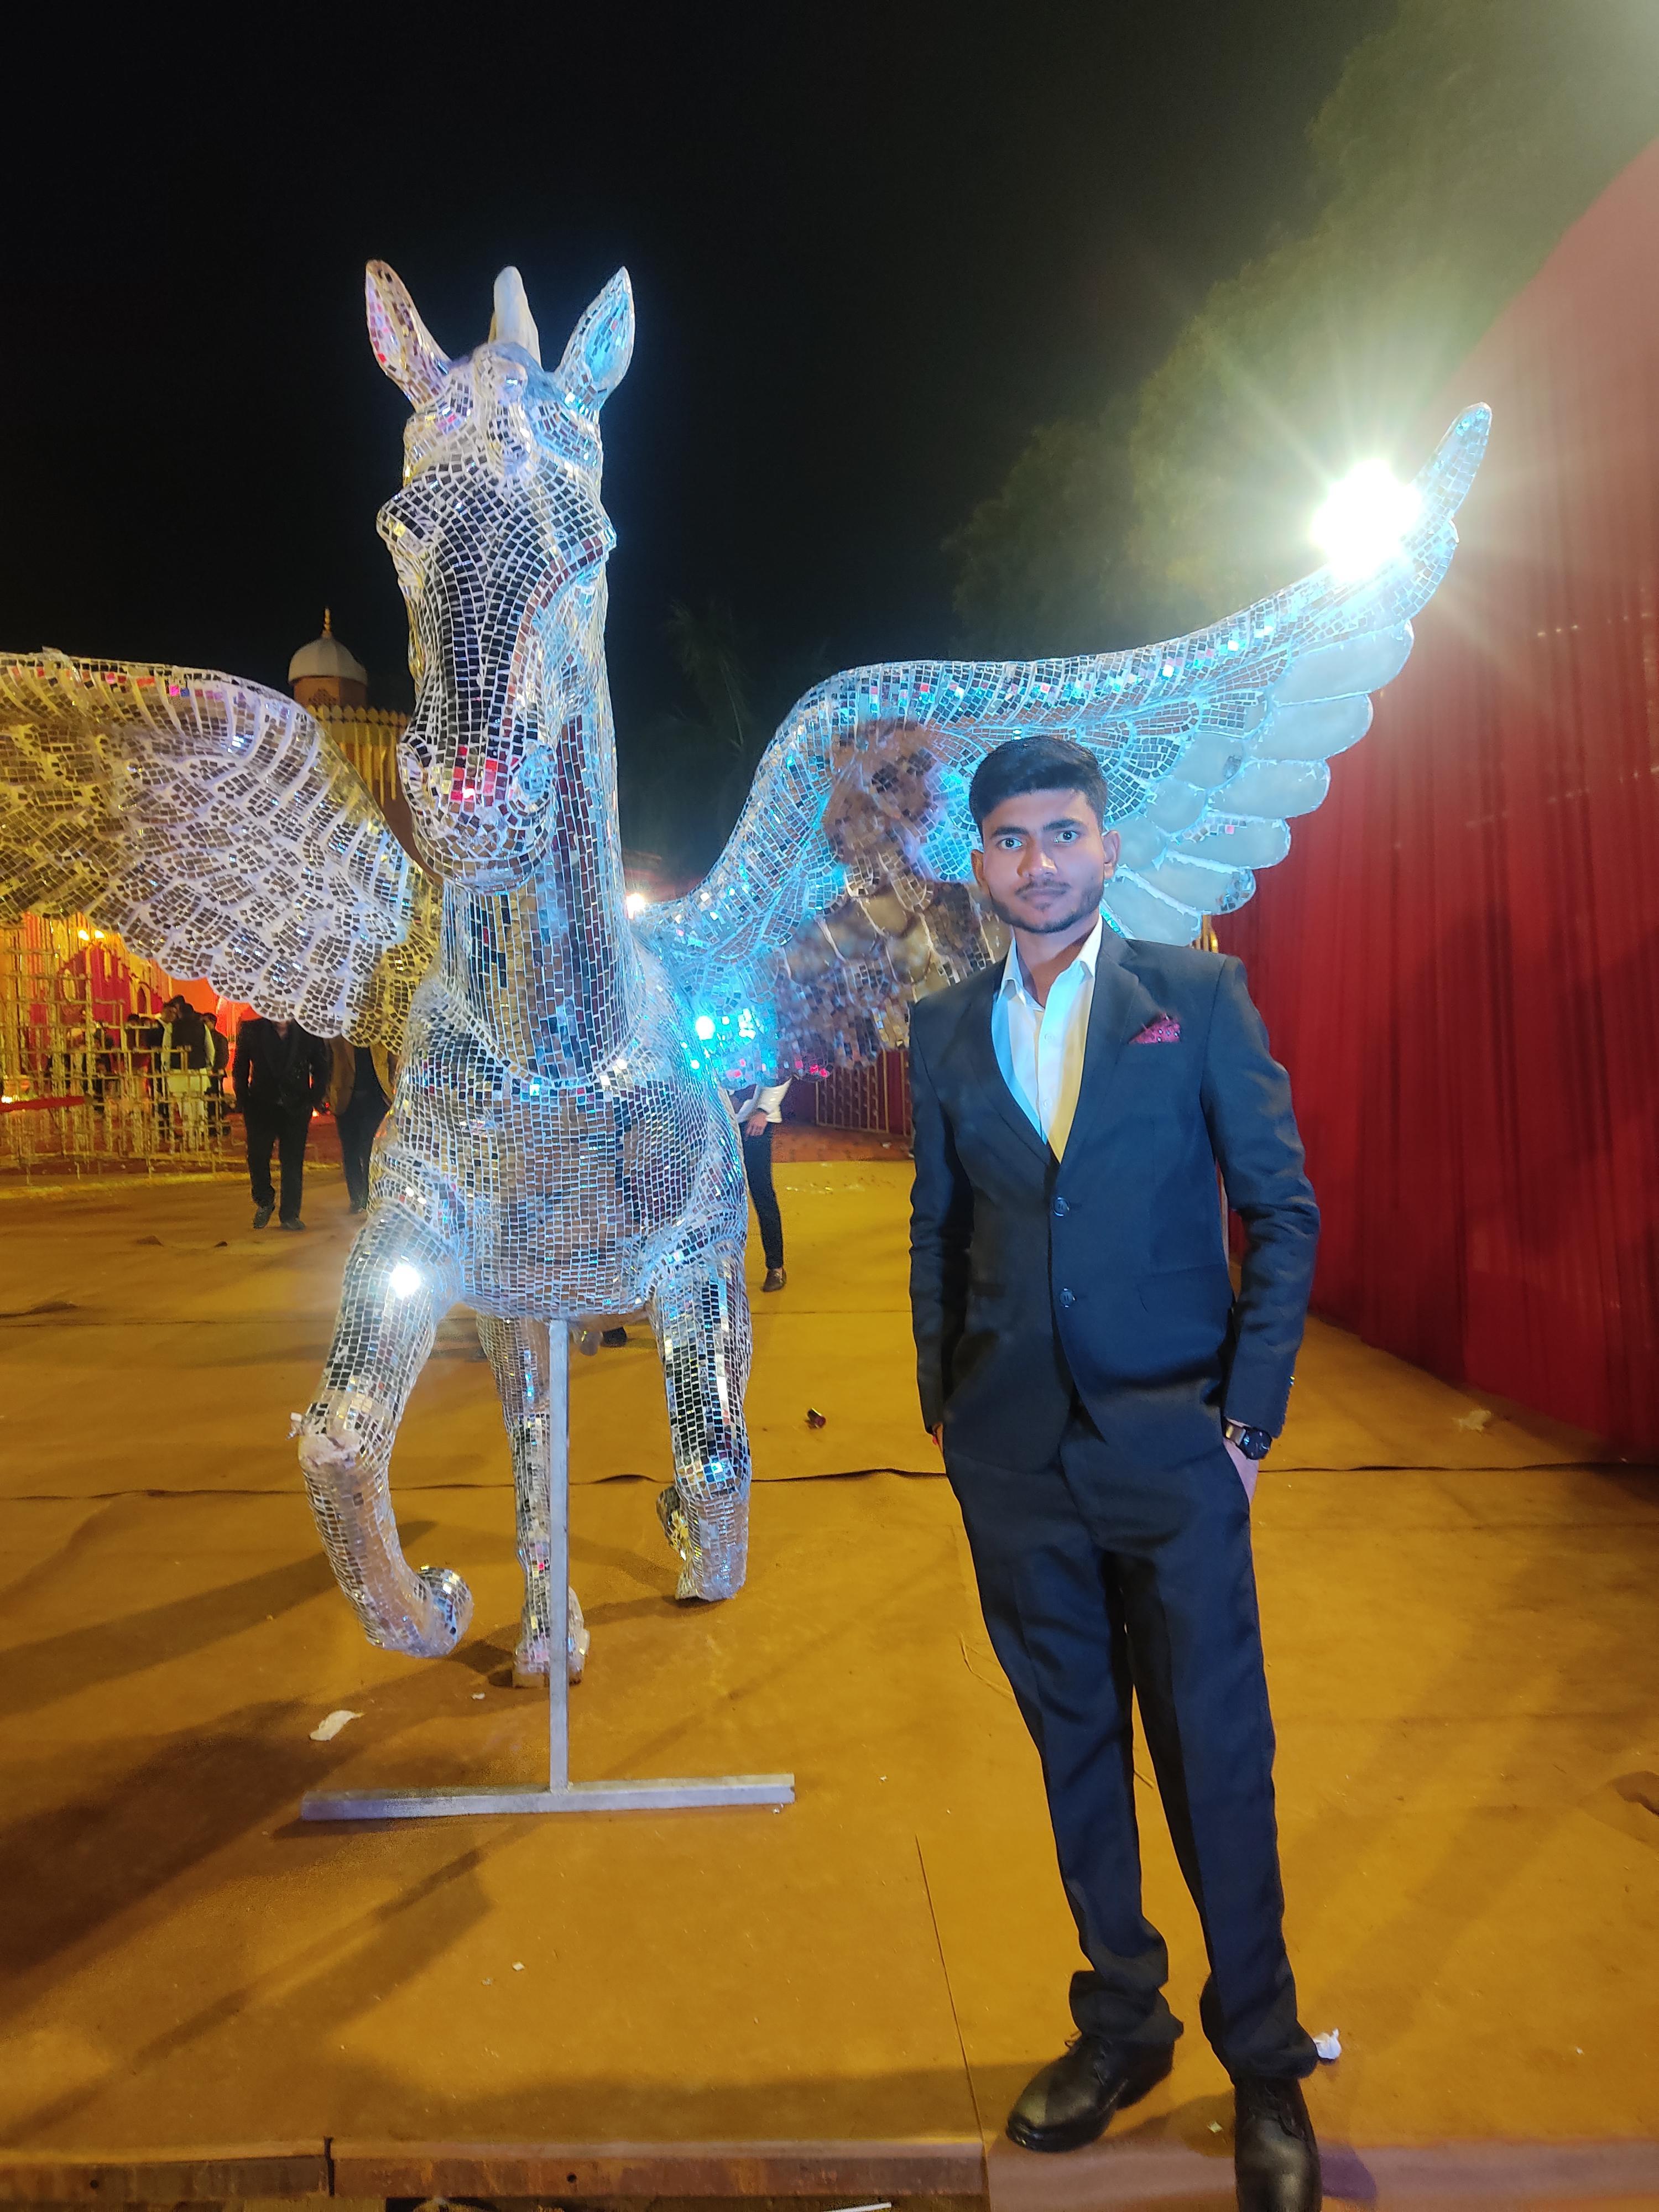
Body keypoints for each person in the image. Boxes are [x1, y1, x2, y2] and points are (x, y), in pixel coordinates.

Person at [907, 736, 1322, 2212]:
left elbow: (1282, 1213)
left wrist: (1246, 1427)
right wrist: (943, 1408)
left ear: (1107, 844)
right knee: (1075, 1749)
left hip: (1175, 1451)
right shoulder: (943, 1028)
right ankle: (1123, 2021)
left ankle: (1263, 2059)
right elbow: (937, 1227)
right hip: (1014, 1463)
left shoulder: (1194, 1000)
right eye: (1011, 838)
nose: (1040, 861)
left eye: (1063, 831)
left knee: (1217, 1759)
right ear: (981, 861)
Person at [233, 1015, 330, 1230]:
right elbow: (240, 1067)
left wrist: (314, 1099)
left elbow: (321, 1067)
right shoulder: (252, 1030)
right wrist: (243, 1100)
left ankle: (290, 1215)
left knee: (293, 1162)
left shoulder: (308, 1031)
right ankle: (264, 1200)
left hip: (296, 1108)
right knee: (257, 1158)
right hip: (260, 1107)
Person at [728, 1078, 790, 1290]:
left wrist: (763, 1110)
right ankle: (720, 1269)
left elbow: (781, 1071)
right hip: (720, 1118)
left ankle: (776, 1267)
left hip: (755, 1120)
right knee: (721, 1197)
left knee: (761, 1192)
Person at [327, 1036, 397, 1214]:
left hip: (376, 1100)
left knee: (370, 1151)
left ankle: (369, 1195)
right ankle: (357, 1198)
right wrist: (329, 1093)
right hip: (346, 1101)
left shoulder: (380, 1034)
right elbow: (327, 1062)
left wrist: (390, 1088)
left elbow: (393, 1062)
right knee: (350, 1151)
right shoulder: (338, 1035)